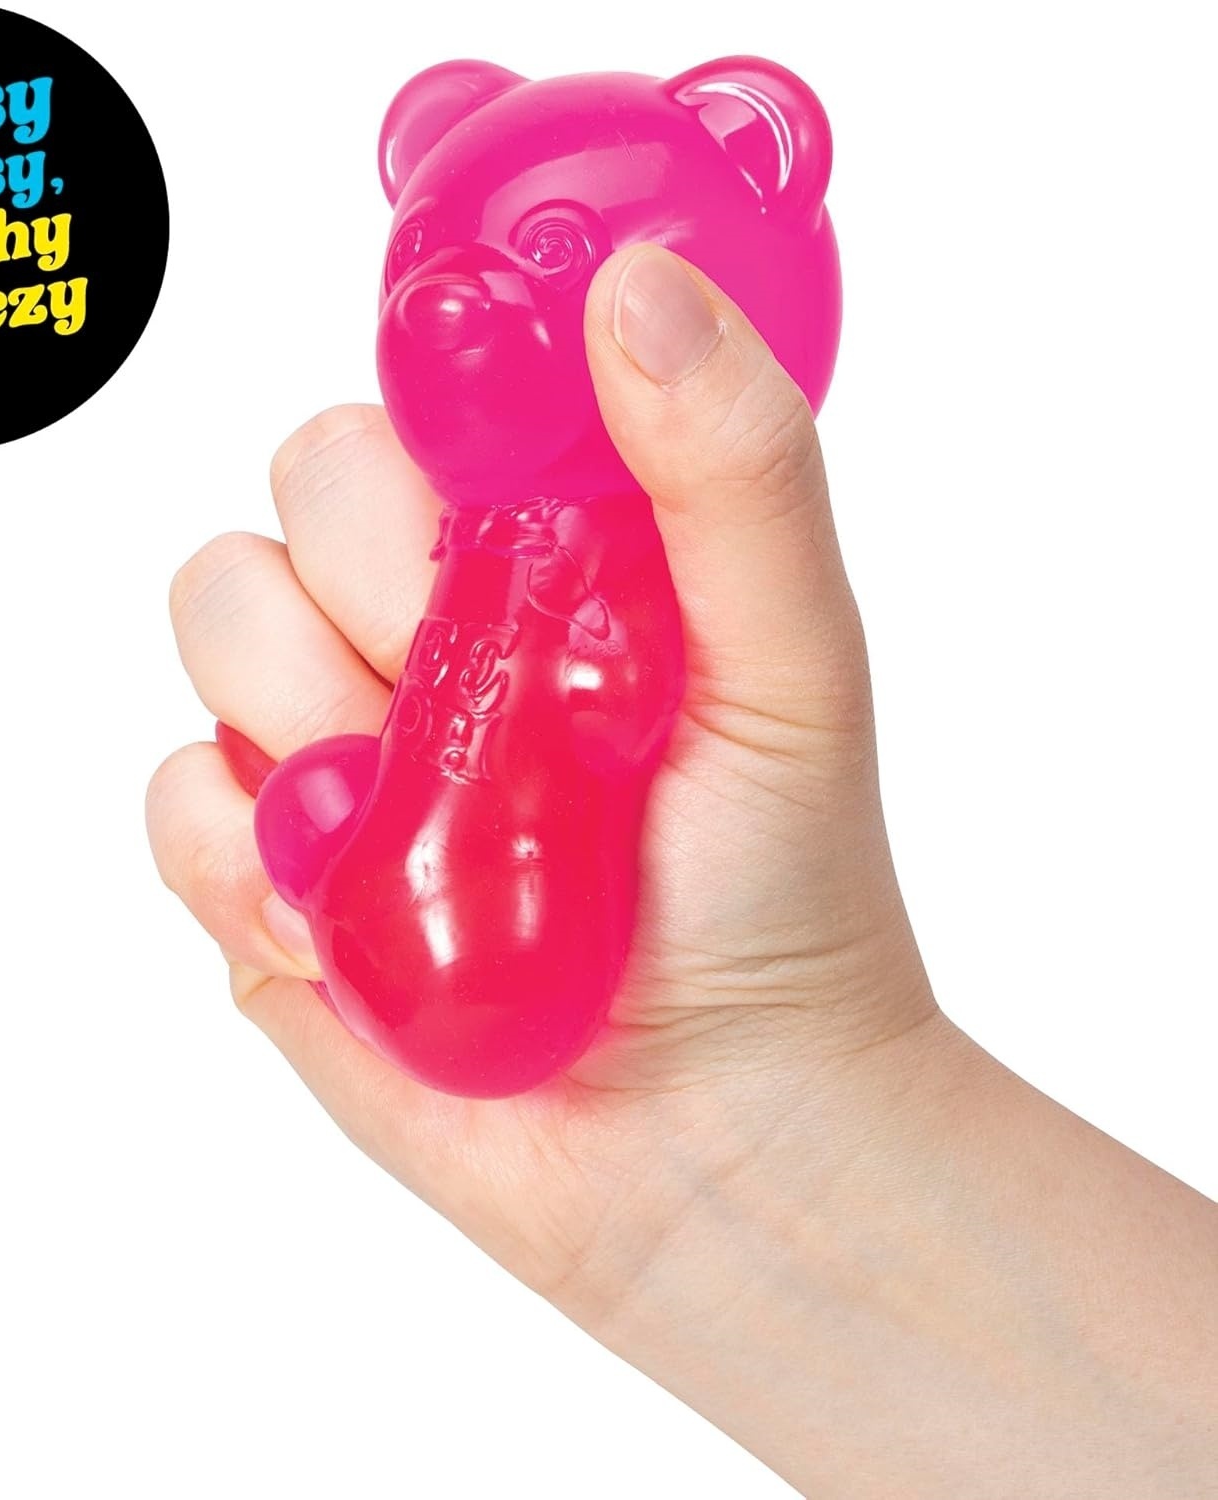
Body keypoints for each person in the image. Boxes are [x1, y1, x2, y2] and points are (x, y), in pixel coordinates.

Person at [146, 245, 1218, 1496]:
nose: (452, 301)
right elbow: (603, 698)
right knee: (319, 775)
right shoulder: (524, 557)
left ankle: (338, 855)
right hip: (403, 919)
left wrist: (792, 1097)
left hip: (463, 930)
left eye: (548, 252)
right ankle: (337, 857)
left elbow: (609, 694)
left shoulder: (581, 567)